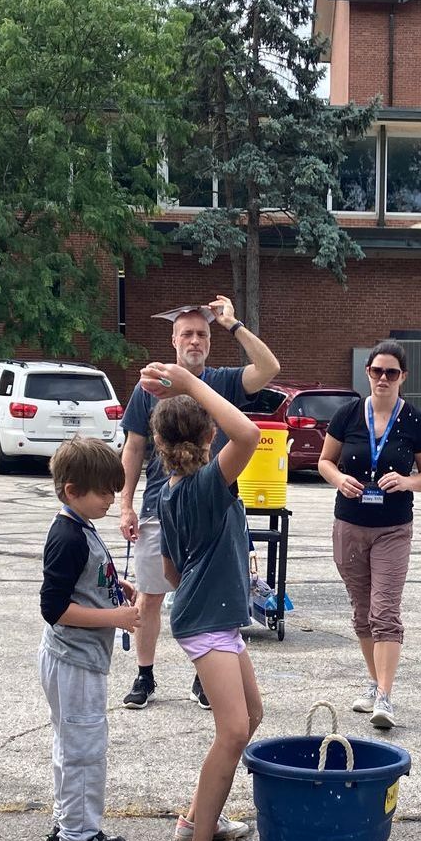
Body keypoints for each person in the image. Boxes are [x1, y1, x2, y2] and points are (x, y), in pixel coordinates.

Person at [118, 297, 279, 711]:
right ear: (173, 340)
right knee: (153, 594)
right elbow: (134, 447)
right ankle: (145, 673)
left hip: (216, 508)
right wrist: (125, 504)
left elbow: (269, 370)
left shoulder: (221, 381)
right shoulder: (150, 386)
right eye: (187, 333)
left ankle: (204, 675)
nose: (195, 340)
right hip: (161, 505)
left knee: (210, 588)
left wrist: (233, 324)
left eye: (202, 334)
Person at [142, 360, 264, 841]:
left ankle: (196, 819)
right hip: (204, 621)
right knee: (234, 731)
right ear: (209, 436)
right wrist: (192, 384)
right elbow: (252, 433)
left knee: (251, 716)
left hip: (210, 614)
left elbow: (170, 571)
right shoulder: (205, 485)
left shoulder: (172, 489)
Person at [319, 340, 421, 730]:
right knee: (361, 611)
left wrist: (407, 481)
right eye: (376, 371)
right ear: (367, 373)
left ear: (403, 377)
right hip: (350, 526)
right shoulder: (348, 415)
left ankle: (385, 696)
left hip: (392, 529)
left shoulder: (417, 422)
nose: (383, 379)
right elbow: (324, 461)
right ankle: (373, 682)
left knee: (385, 610)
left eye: (391, 373)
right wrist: (339, 479)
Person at [39, 439, 140, 841]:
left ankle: (69, 827)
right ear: (73, 490)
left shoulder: (81, 526)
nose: (111, 500)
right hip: (74, 661)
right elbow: (55, 608)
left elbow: (86, 583)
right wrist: (114, 615)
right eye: (104, 492)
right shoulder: (67, 536)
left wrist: (117, 592)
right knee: (85, 749)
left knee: (72, 744)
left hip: (76, 660)